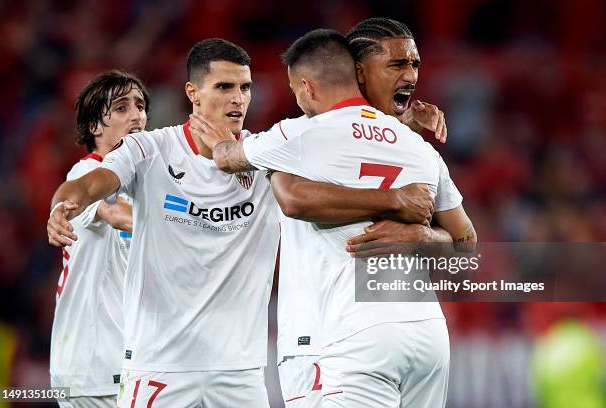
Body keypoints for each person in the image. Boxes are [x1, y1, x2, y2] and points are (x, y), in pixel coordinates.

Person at [46, 38, 435, 408]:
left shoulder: (267, 154)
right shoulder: (151, 149)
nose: (238, 98)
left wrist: (402, 125)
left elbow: (348, 149)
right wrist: (64, 205)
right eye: (224, 86)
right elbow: (91, 181)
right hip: (159, 364)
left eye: (246, 87)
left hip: (241, 373)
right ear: (193, 93)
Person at [192, 28, 476, 408]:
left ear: (306, 88)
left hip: (352, 331)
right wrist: (419, 234)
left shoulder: (299, 135)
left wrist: (219, 139)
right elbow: (465, 242)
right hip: (427, 333)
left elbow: (242, 167)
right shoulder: (418, 146)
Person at [47, 70, 148, 407]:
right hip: (91, 365)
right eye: (121, 109)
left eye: (140, 106)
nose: (136, 115)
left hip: (125, 362)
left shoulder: (144, 183)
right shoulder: (88, 172)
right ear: (95, 127)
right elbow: (114, 213)